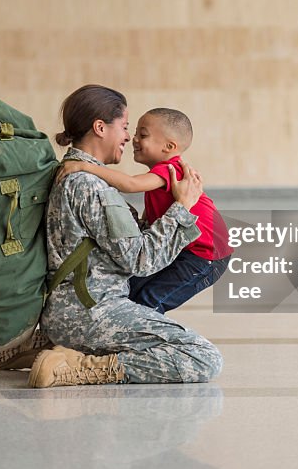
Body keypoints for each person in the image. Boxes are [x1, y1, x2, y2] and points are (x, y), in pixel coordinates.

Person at [25, 84, 223, 388]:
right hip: (90, 313)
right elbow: (142, 261)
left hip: (71, 310)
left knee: (149, 311)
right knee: (202, 356)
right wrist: (183, 207)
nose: (129, 137)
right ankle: (82, 365)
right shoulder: (89, 185)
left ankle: (48, 347)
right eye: (126, 127)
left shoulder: (71, 173)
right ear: (100, 127)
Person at [58, 107, 232, 313]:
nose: (134, 139)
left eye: (143, 135)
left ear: (169, 146)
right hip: (188, 250)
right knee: (134, 292)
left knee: (150, 301)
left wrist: (85, 167)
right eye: (135, 133)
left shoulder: (169, 170)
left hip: (205, 256)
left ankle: (141, 335)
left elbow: (130, 184)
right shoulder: (160, 175)